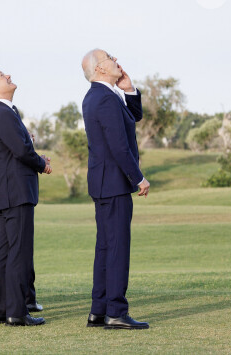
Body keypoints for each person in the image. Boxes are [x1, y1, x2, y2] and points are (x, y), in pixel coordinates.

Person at [81, 49, 150, 330]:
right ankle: (116, 313)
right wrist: (138, 178)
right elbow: (118, 146)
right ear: (99, 69)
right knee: (117, 248)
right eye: (110, 57)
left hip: (104, 182)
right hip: (113, 183)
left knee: (106, 247)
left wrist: (129, 89)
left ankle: (99, 310)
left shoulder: (103, 95)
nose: (116, 59)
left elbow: (134, 118)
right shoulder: (103, 98)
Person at [0, 69, 51, 326]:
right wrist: (41, 163)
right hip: (15, 192)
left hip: (7, 192)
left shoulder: (4, 112)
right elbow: (21, 150)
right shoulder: (1, 112)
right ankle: (17, 312)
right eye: (1, 75)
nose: (8, 75)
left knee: (5, 252)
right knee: (18, 253)